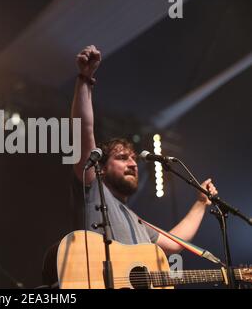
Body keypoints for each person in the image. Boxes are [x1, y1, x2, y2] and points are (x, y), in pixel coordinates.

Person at [41, 45, 218, 287]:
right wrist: (85, 79)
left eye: (134, 158)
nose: (133, 163)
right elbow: (84, 131)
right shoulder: (93, 188)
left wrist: (200, 203)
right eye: (122, 157)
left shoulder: (136, 221)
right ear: (100, 167)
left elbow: (175, 244)